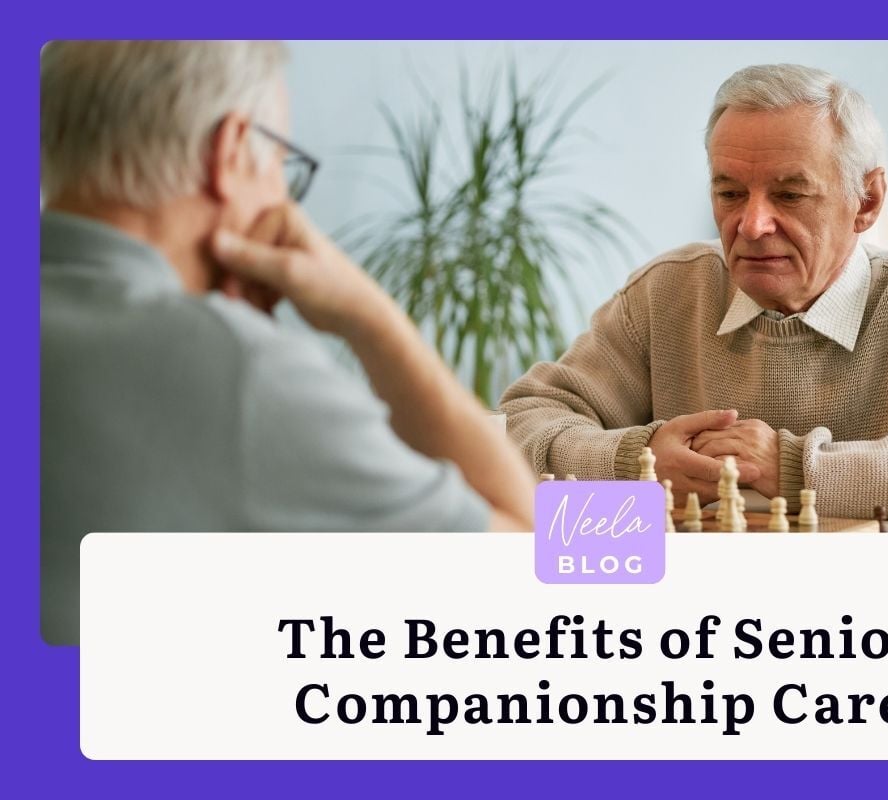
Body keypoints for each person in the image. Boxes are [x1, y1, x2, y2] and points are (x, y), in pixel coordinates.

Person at [40, 41, 534, 645]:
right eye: (279, 162)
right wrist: (370, 316)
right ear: (229, 153)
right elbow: (529, 563)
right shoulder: (234, 370)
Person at [500, 63, 888, 523]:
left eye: (789, 194)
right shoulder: (667, 294)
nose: (751, 225)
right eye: (730, 194)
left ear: (866, 202)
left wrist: (795, 468)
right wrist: (633, 460)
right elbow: (518, 423)